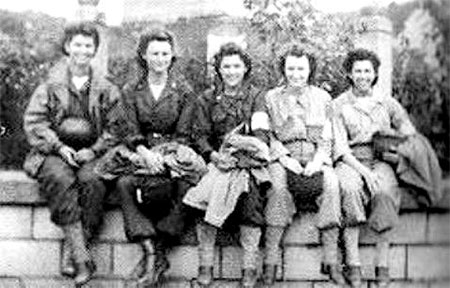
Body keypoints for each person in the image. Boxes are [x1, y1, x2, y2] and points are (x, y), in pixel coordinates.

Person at [23, 23, 121, 286]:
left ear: (95, 50)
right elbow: (35, 122)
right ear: (68, 47)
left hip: (93, 153)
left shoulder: (107, 87)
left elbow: (117, 126)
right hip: (54, 153)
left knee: (93, 182)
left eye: (88, 46)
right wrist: (59, 147)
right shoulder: (50, 84)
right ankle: (82, 259)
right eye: (77, 44)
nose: (83, 51)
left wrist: (95, 150)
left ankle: (76, 251)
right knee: (60, 179)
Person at [113, 28, 200, 287]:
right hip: (140, 152)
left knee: (187, 187)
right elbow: (128, 128)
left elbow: (185, 134)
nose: (160, 58)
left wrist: (164, 156)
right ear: (144, 56)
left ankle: (159, 251)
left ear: (172, 56)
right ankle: (149, 249)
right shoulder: (131, 90)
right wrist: (143, 152)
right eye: (154, 53)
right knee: (124, 183)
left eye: (165, 53)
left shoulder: (183, 90)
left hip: (173, 153)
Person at [184, 43, 271, 288]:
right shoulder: (207, 99)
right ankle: (206, 266)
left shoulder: (256, 97)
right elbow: (199, 136)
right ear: (219, 70)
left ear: (245, 69)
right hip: (218, 162)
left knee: (251, 198)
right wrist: (213, 156)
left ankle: (249, 269)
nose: (231, 71)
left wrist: (245, 144)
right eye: (226, 66)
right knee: (205, 195)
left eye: (236, 66)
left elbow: (262, 134)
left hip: (248, 162)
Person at [332, 49, 418, 287]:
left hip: (381, 160)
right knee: (349, 190)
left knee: (384, 191)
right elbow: (339, 148)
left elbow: (408, 130)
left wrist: (399, 142)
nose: (362, 76)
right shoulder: (338, 105)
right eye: (357, 71)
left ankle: (383, 264)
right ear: (349, 74)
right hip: (350, 161)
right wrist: (363, 171)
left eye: (367, 71)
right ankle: (354, 265)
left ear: (375, 73)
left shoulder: (386, 102)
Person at [262, 46, 343, 286]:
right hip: (282, 157)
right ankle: (271, 262)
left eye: (301, 69)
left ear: (310, 70)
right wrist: (285, 159)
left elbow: (328, 137)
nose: (296, 74)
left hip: (314, 154)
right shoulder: (271, 98)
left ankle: (331, 261)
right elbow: (268, 136)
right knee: (277, 190)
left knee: (332, 186)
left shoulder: (323, 98)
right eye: (291, 68)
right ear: (283, 70)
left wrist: (318, 161)